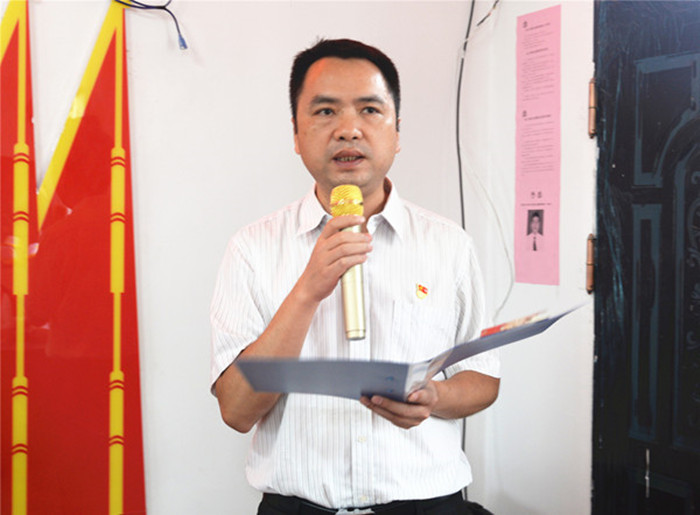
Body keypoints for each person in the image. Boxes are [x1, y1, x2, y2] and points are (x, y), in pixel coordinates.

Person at [210, 38, 500, 514]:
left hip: (426, 505)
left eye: (369, 109)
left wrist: (436, 396)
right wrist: (307, 292)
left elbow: (484, 378)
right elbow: (237, 410)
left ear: (397, 131)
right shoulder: (252, 248)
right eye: (325, 112)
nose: (348, 130)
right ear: (296, 134)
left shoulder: (449, 244)